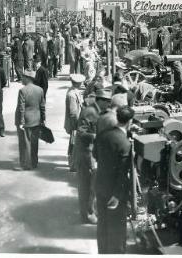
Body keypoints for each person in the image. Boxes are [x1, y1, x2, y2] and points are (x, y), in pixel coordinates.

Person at [93, 106, 134, 254]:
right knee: (117, 230)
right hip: (115, 193)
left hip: (100, 186)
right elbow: (123, 173)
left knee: (102, 225)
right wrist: (117, 195)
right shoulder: (125, 144)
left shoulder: (103, 134)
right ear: (130, 121)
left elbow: (95, 155)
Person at [74, 87, 111, 224]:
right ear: (100, 100)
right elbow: (81, 133)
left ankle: (89, 211)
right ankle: (87, 215)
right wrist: (99, 136)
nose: (108, 104)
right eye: (107, 101)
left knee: (92, 185)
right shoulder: (90, 112)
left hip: (92, 153)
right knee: (86, 185)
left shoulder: (99, 110)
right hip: (86, 154)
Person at [15, 70, 46, 170]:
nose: (22, 79)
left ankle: (26, 164)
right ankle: (34, 162)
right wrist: (43, 119)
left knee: (25, 142)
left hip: (26, 120)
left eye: (23, 77)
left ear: (28, 78)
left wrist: (21, 122)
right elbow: (42, 106)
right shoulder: (40, 90)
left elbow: (21, 108)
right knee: (34, 141)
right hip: (37, 119)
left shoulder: (23, 91)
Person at [65, 73, 85, 172]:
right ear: (79, 83)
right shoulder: (72, 94)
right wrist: (77, 125)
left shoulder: (74, 91)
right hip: (75, 123)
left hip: (75, 123)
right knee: (74, 144)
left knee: (74, 143)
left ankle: (73, 163)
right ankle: (73, 165)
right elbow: (73, 113)